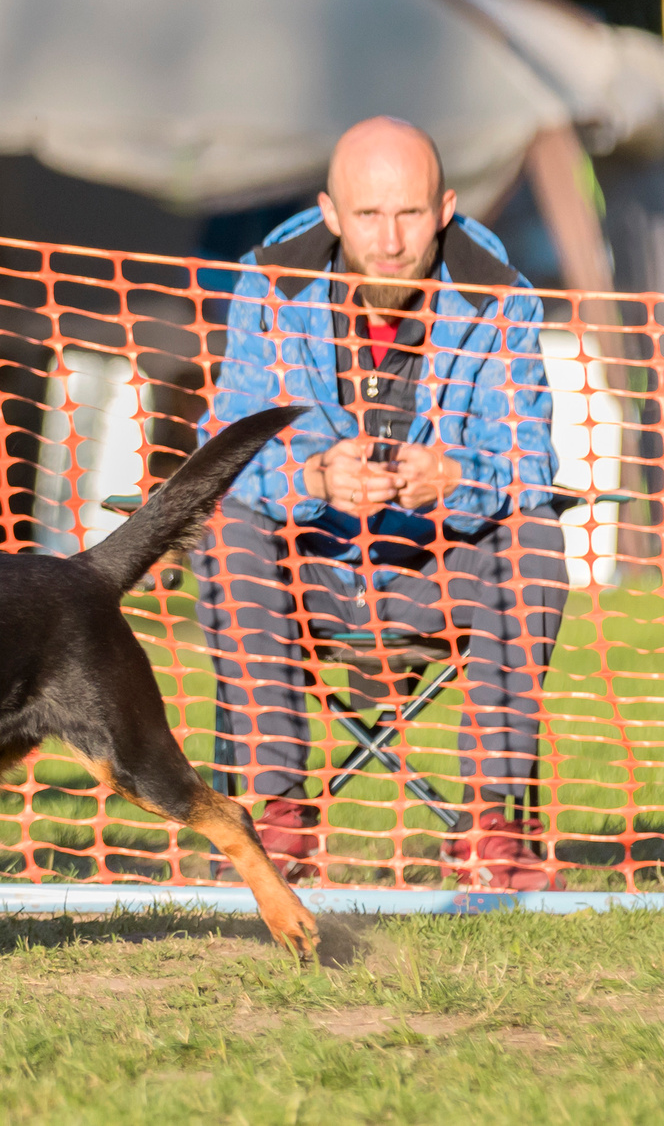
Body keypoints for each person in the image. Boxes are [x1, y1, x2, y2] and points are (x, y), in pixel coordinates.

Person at [197, 116, 564, 890]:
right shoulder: (268, 288)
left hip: (440, 579)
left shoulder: (503, 298)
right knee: (229, 525)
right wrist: (315, 480)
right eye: (368, 215)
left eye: (409, 215)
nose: (391, 240)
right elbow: (219, 461)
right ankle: (276, 817)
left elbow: (531, 469)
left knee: (535, 536)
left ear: (445, 210)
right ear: (331, 213)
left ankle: (490, 826)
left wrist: (455, 479)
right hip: (303, 581)